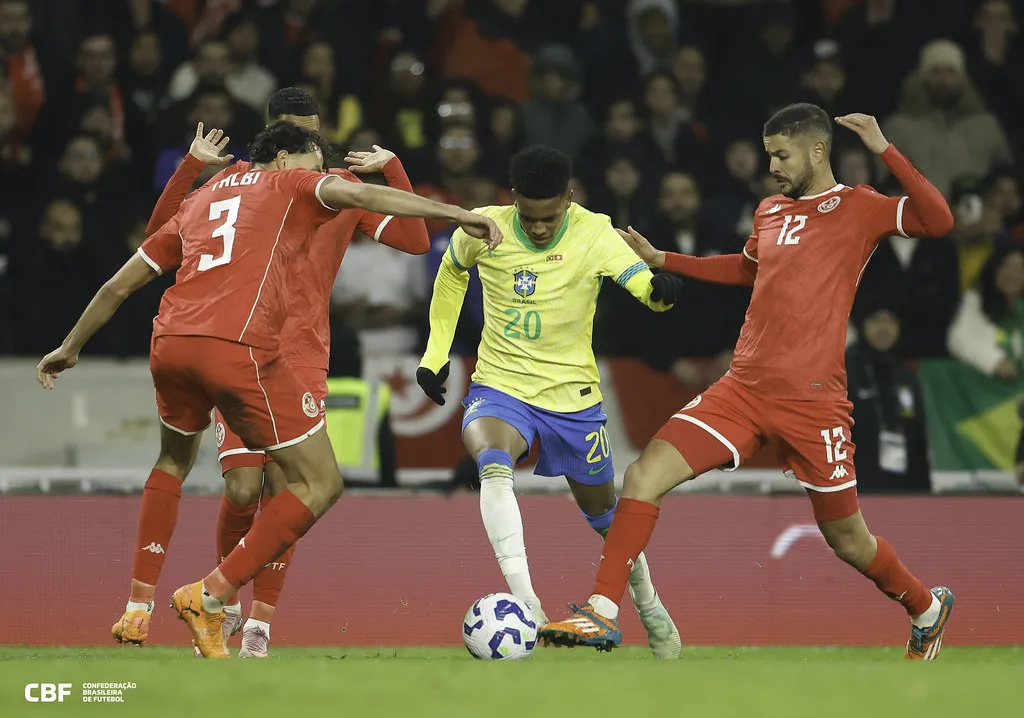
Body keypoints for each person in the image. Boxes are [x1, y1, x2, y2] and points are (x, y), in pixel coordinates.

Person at [37, 121, 501, 658]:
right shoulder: (291, 185)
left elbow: (122, 281)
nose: (320, 169)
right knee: (318, 483)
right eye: (314, 156)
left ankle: (149, 608)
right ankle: (210, 595)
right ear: (285, 157)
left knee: (175, 462)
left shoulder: (205, 195)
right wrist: (459, 213)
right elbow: (359, 192)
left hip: (171, 343)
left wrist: (70, 346)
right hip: (243, 353)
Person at [538, 104, 958, 660]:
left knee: (847, 540)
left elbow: (939, 220)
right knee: (642, 475)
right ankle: (603, 612)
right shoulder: (769, 211)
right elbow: (746, 269)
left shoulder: (859, 207)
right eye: (769, 156)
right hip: (743, 389)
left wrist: (885, 149)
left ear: (817, 150)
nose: (773, 167)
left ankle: (926, 608)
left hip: (814, 402)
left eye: (782, 155)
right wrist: (665, 258)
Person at [117, 87, 430, 658]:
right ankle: (219, 606)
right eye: (294, 132)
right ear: (273, 137)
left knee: (289, 487)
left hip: (303, 356)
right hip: (237, 346)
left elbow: (415, 240)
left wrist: (391, 167)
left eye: (314, 133)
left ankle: (258, 625)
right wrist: (191, 166)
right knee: (241, 488)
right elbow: (160, 239)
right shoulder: (234, 182)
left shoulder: (335, 190)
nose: (307, 143)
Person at [416, 145, 685, 658]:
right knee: (491, 461)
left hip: (573, 395)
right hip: (501, 385)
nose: (539, 228)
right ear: (513, 199)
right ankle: (528, 606)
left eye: (550, 217)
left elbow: (642, 284)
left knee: (605, 513)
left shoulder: (595, 232)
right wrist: (435, 355)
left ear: (570, 197)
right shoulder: (483, 228)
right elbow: (451, 275)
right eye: (530, 216)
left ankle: (649, 604)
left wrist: (661, 293)